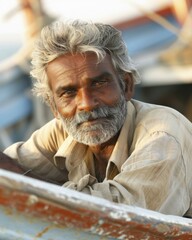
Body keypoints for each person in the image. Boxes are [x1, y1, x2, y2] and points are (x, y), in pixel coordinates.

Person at [1, 19, 192, 217]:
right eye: (68, 92)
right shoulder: (61, 132)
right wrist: (14, 172)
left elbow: (124, 219)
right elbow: (9, 167)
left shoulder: (164, 133)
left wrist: (21, 177)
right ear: (54, 107)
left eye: (99, 83)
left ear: (126, 86)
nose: (86, 104)